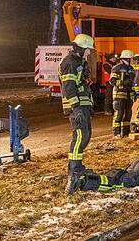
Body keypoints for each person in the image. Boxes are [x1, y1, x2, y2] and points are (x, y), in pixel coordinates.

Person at [60, 33, 96, 194]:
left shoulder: (79, 61)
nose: (89, 53)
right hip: (77, 106)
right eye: (87, 49)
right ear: (81, 48)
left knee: (86, 136)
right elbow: (69, 86)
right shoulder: (70, 63)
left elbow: (81, 84)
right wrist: (76, 107)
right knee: (80, 137)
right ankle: (74, 173)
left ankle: (78, 168)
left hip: (83, 104)